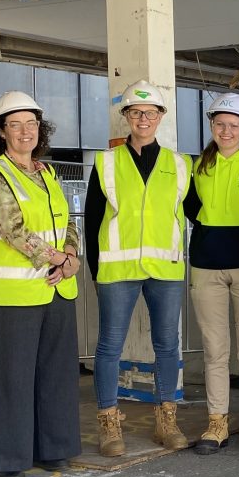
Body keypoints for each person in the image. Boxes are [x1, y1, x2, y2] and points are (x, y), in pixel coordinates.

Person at [0, 92, 82, 477]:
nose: (24, 131)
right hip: (11, 295)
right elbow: (13, 231)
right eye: (14, 124)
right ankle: (2, 457)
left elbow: (68, 221)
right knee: (8, 378)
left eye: (31, 124)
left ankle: (52, 448)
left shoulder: (47, 174)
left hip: (54, 288)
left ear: (40, 129)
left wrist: (72, 254)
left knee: (55, 374)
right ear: (1, 131)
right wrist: (59, 260)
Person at [85, 80, 192, 457]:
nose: (143, 119)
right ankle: (109, 425)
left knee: (167, 346)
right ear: (126, 117)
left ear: (161, 117)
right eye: (135, 113)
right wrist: (96, 270)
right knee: (109, 346)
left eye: (150, 113)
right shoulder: (106, 162)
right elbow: (93, 218)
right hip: (118, 268)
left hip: (165, 269)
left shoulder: (181, 165)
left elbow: (193, 213)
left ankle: (167, 421)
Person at [185, 93, 239, 456]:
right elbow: (192, 207)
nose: (226, 130)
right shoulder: (198, 166)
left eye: (234, 124)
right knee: (215, 350)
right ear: (211, 126)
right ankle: (217, 421)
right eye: (220, 123)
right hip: (206, 264)